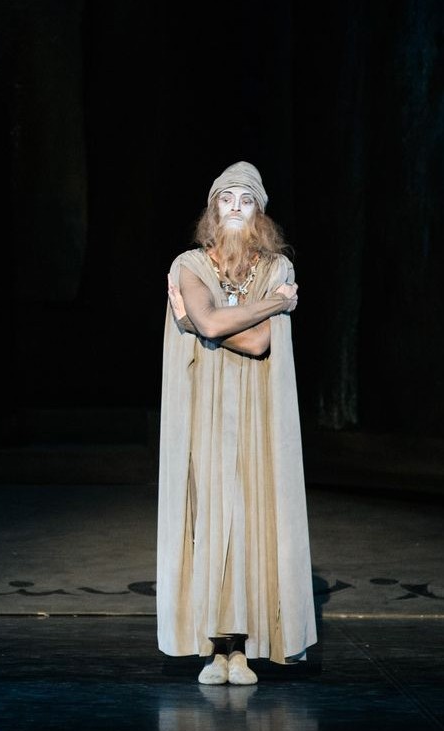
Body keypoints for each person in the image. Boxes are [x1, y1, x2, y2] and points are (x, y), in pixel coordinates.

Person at [156, 161, 316, 685]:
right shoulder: (188, 265)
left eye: (245, 201)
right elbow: (209, 320)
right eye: (225, 199)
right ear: (212, 209)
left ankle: (242, 650)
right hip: (203, 410)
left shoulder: (276, 269)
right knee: (208, 518)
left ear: (259, 214)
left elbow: (259, 343)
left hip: (254, 413)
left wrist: (200, 322)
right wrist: (252, 310)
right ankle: (214, 648)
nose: (234, 209)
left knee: (249, 520)